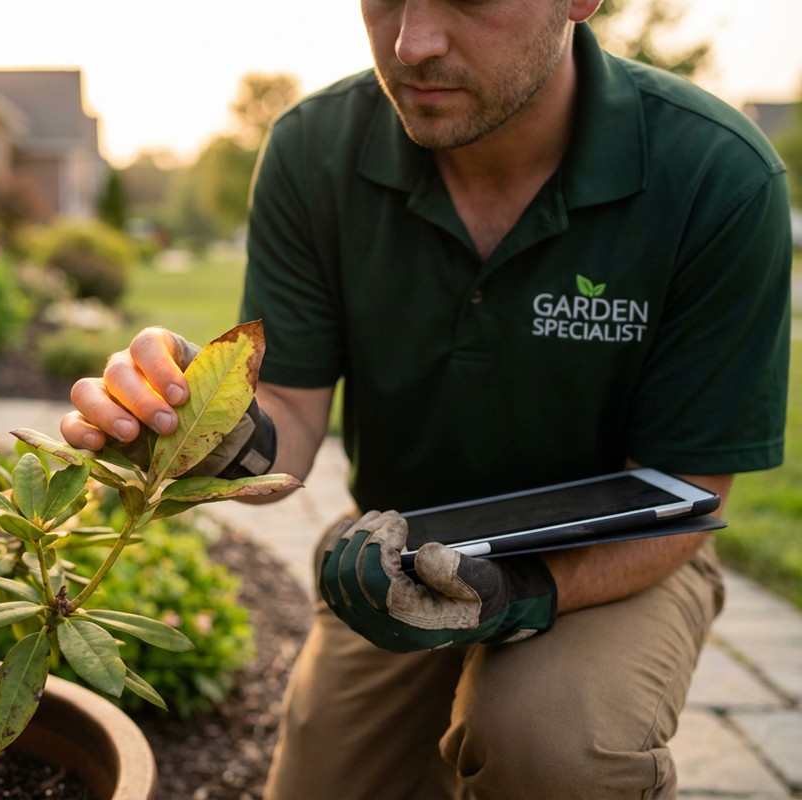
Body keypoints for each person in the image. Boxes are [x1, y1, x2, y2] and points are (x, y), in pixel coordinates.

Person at [62, 0, 793, 796]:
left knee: (548, 743)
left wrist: (519, 591)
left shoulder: (717, 173)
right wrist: (199, 426)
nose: (413, 43)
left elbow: (686, 488)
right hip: (398, 547)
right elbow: (293, 419)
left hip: (615, 555)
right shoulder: (315, 150)